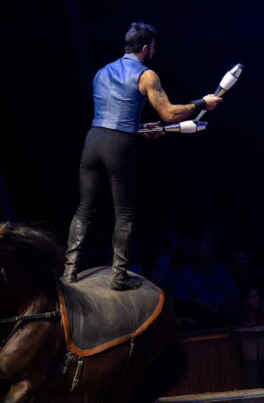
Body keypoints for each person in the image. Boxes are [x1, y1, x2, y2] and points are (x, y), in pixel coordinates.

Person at [62, 21, 223, 290]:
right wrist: (202, 103)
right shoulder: (147, 75)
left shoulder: (101, 72)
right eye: (154, 48)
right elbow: (169, 114)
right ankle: (119, 276)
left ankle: (68, 273)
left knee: (84, 209)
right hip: (119, 146)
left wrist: (139, 128)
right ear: (146, 48)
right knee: (123, 212)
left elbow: (111, 118)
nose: (155, 52)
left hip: (93, 141)